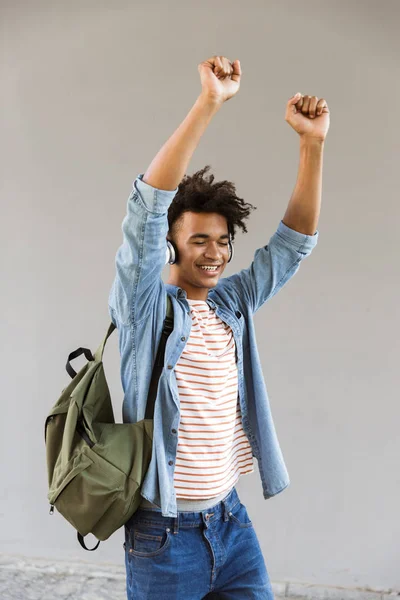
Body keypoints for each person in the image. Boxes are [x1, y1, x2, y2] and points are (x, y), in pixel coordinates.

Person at [108, 55, 329, 600]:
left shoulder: (233, 303)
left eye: (223, 240)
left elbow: (292, 244)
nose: (214, 253)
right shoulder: (146, 308)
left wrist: (312, 145)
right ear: (172, 244)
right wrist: (209, 103)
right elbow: (145, 215)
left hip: (229, 523)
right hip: (163, 534)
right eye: (199, 240)